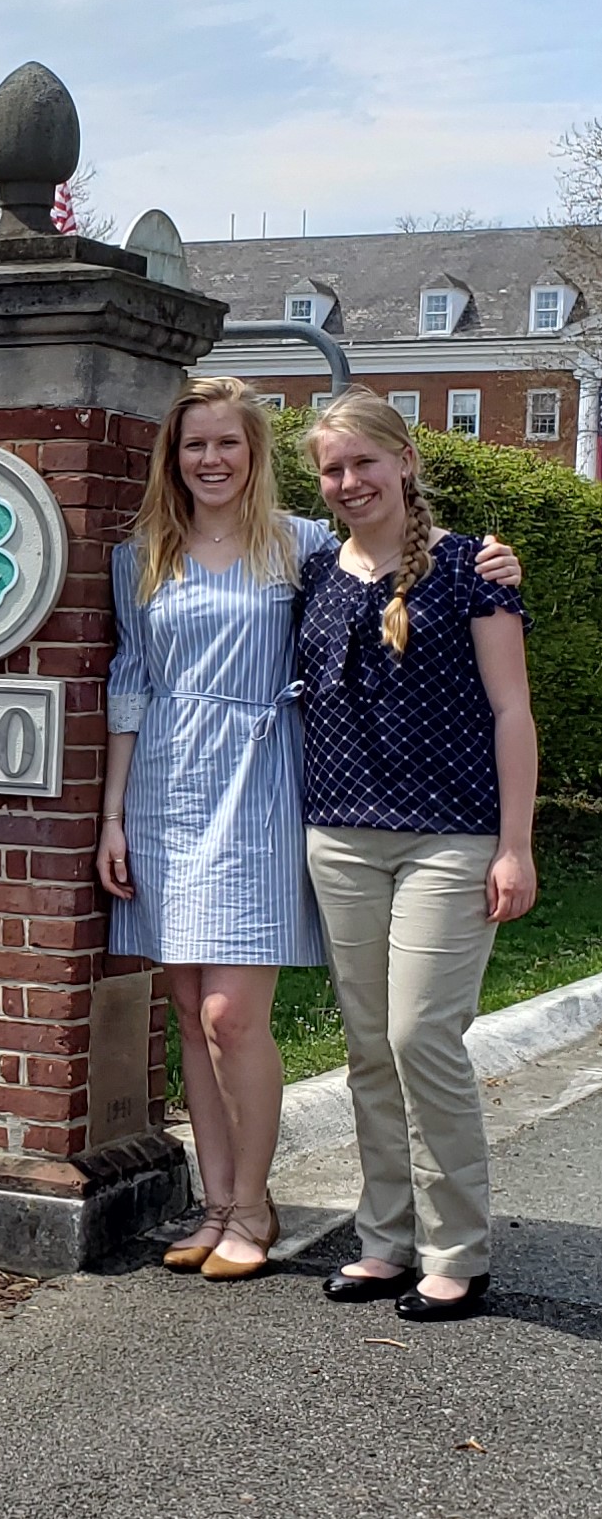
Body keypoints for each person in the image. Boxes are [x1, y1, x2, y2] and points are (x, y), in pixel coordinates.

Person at [97, 378, 517, 1282]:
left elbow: (397, 550)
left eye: (227, 444)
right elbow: (127, 681)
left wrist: (494, 562)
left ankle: (258, 1204)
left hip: (261, 785)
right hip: (166, 789)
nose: (209, 459)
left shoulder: (301, 545)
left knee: (231, 1015)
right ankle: (219, 1206)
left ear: (253, 456)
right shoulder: (141, 556)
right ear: (171, 458)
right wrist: (110, 816)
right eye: (191, 445)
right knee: (187, 1010)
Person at [298, 389, 535, 1323]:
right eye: (331, 468)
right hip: (340, 836)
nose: (349, 481)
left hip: (449, 834)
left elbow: (512, 710)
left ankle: (458, 1249)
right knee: (365, 1047)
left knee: (417, 1038)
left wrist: (514, 846)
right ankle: (385, 1241)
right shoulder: (314, 568)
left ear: (403, 462)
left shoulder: (472, 567)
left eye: (364, 462)